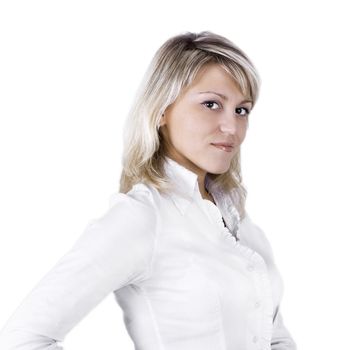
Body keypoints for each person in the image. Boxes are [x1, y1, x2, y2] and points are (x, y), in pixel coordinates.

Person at [0, 31, 297, 349]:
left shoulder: (239, 220)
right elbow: (24, 338)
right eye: (211, 104)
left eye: (242, 110)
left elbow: (273, 335)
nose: (232, 127)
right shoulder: (141, 218)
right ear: (161, 110)